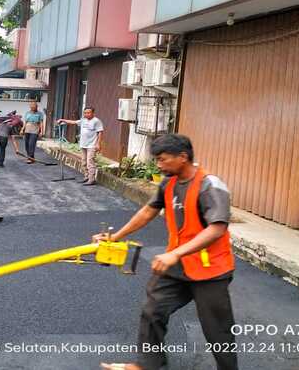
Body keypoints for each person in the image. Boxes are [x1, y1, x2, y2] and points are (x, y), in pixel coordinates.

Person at [95, 134, 237, 370]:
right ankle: (149, 364)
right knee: (152, 311)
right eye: (157, 160)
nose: (158, 165)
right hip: (176, 268)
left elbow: (217, 229)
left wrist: (175, 253)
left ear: (183, 157)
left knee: (217, 329)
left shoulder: (210, 186)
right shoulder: (168, 183)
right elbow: (148, 211)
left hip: (209, 270)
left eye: (163, 159)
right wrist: (116, 236)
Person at [56, 106, 103, 185]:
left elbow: (100, 132)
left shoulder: (96, 121)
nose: (86, 114)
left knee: (90, 162)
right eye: (85, 113)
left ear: (93, 113)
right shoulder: (83, 120)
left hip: (92, 145)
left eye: (88, 113)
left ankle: (92, 179)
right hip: (83, 144)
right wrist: (63, 120)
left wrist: (98, 143)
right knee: (84, 162)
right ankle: (86, 176)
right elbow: (73, 122)